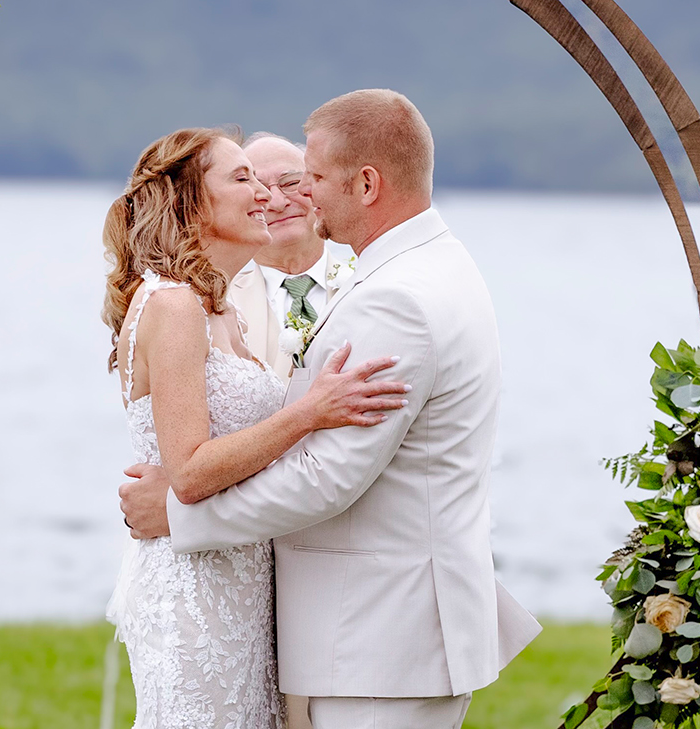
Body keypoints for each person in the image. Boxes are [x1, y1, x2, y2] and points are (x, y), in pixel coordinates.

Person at [119, 91, 542, 729]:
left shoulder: (397, 297)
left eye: (311, 177)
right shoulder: (430, 267)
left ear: (366, 183)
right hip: (360, 632)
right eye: (248, 178)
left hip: (381, 637)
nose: (296, 196)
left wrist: (176, 517)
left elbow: (327, 477)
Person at [101, 126, 409, 728]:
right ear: (192, 201)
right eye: (243, 178)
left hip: (244, 581)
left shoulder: (221, 311)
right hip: (195, 589)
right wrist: (309, 412)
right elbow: (188, 473)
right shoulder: (173, 305)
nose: (265, 193)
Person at [231, 133, 354, 379]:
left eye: (290, 183)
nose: (277, 202)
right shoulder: (218, 302)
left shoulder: (366, 284)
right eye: (260, 190)